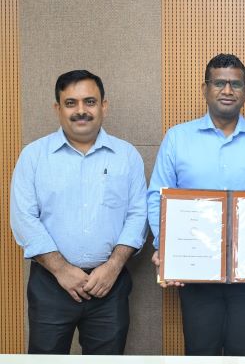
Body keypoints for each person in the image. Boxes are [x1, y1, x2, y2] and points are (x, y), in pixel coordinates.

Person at [147, 53, 245, 356]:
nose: (228, 90)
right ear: (205, 89)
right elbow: (156, 198)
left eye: (235, 84)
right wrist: (166, 247)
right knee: (200, 353)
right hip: (195, 269)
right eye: (219, 83)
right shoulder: (177, 138)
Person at [10, 70, 148, 354]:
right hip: (50, 284)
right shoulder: (33, 157)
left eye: (90, 101)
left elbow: (138, 215)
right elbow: (24, 218)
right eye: (71, 103)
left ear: (104, 106)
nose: (81, 110)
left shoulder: (127, 156)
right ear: (57, 108)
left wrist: (112, 267)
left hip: (109, 285)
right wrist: (62, 269)